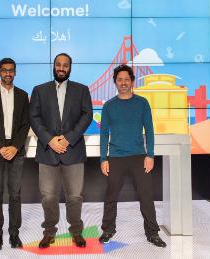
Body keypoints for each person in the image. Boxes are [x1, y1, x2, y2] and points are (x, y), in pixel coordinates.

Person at [98, 64, 167, 248]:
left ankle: (152, 233)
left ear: (132, 81)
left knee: (146, 195)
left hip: (139, 156)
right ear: (115, 82)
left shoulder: (142, 103)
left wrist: (150, 155)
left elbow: (150, 131)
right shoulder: (108, 106)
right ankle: (108, 230)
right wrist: (103, 159)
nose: (123, 83)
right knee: (111, 196)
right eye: (119, 80)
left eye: (126, 79)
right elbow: (104, 134)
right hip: (116, 157)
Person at [29, 53, 93, 248]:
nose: (61, 68)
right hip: (48, 152)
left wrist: (68, 138)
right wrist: (50, 140)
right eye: (58, 64)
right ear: (54, 66)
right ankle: (49, 232)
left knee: (75, 196)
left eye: (65, 65)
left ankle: (76, 232)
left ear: (70, 68)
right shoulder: (39, 90)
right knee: (48, 197)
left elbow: (87, 115)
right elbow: (34, 117)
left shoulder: (82, 90)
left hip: (73, 150)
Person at [0, 58, 30, 250]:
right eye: (4, 70)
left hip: (16, 150)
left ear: (15, 72)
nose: (8, 73)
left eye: (11, 71)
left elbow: (26, 124)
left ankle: (14, 235)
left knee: (15, 194)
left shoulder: (23, 95)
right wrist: (1, 147)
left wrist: (15, 147)